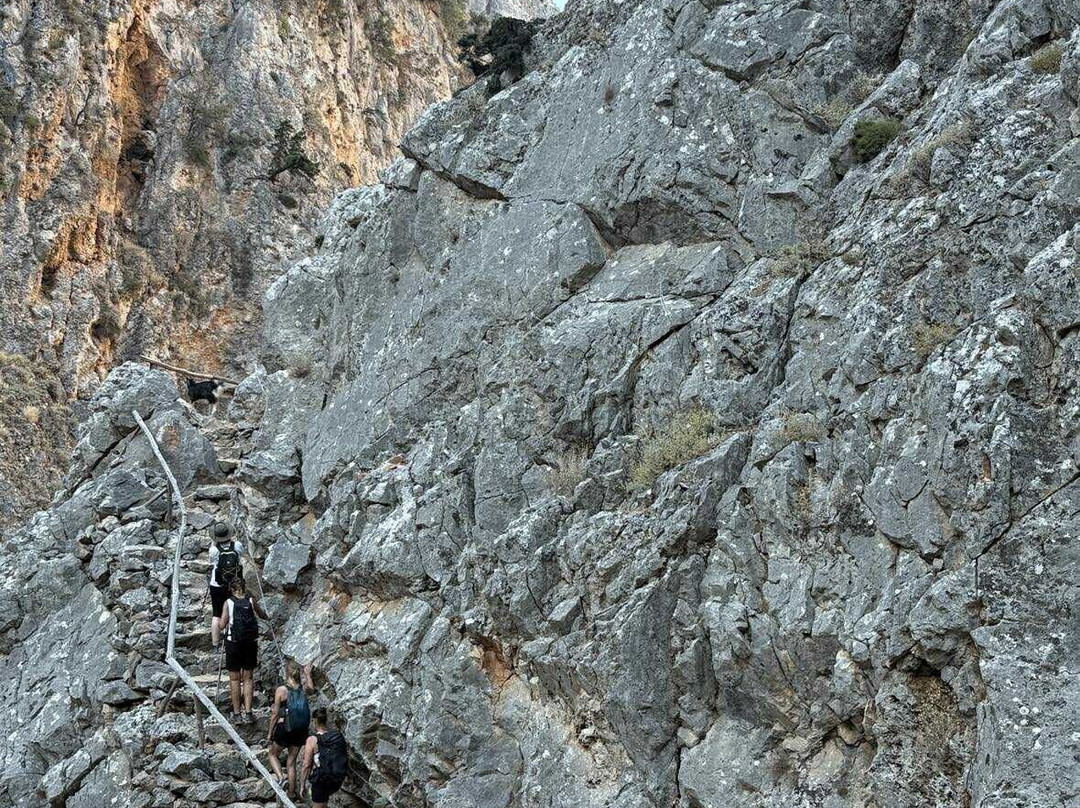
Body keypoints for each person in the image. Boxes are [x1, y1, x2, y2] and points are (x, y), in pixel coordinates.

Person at [218, 577, 266, 723]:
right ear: (244, 588)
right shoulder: (251, 601)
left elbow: (221, 625)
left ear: (231, 589)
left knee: (234, 678)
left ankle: (237, 714)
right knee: (248, 677)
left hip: (234, 643)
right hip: (250, 642)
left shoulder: (229, 603)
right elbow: (262, 615)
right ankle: (249, 712)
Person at [267, 661, 315, 797]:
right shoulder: (303, 688)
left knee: (272, 754)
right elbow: (311, 688)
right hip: (301, 731)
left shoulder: (282, 690)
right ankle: (292, 794)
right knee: (291, 762)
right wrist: (308, 674)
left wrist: (270, 733)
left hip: (285, 728)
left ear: (286, 672)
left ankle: (282, 779)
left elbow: (275, 714)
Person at [300, 708, 348, 807]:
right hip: (336, 779)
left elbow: (306, 765)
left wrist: (302, 785)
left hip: (321, 780)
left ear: (314, 721)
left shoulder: (312, 740)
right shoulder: (337, 736)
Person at [208, 522, 244, 647]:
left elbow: (212, 563)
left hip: (217, 585)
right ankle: (233, 639)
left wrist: (214, 543)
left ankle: (215, 643)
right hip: (235, 584)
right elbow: (241, 556)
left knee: (217, 614)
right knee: (234, 611)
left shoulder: (213, 550)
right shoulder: (237, 545)